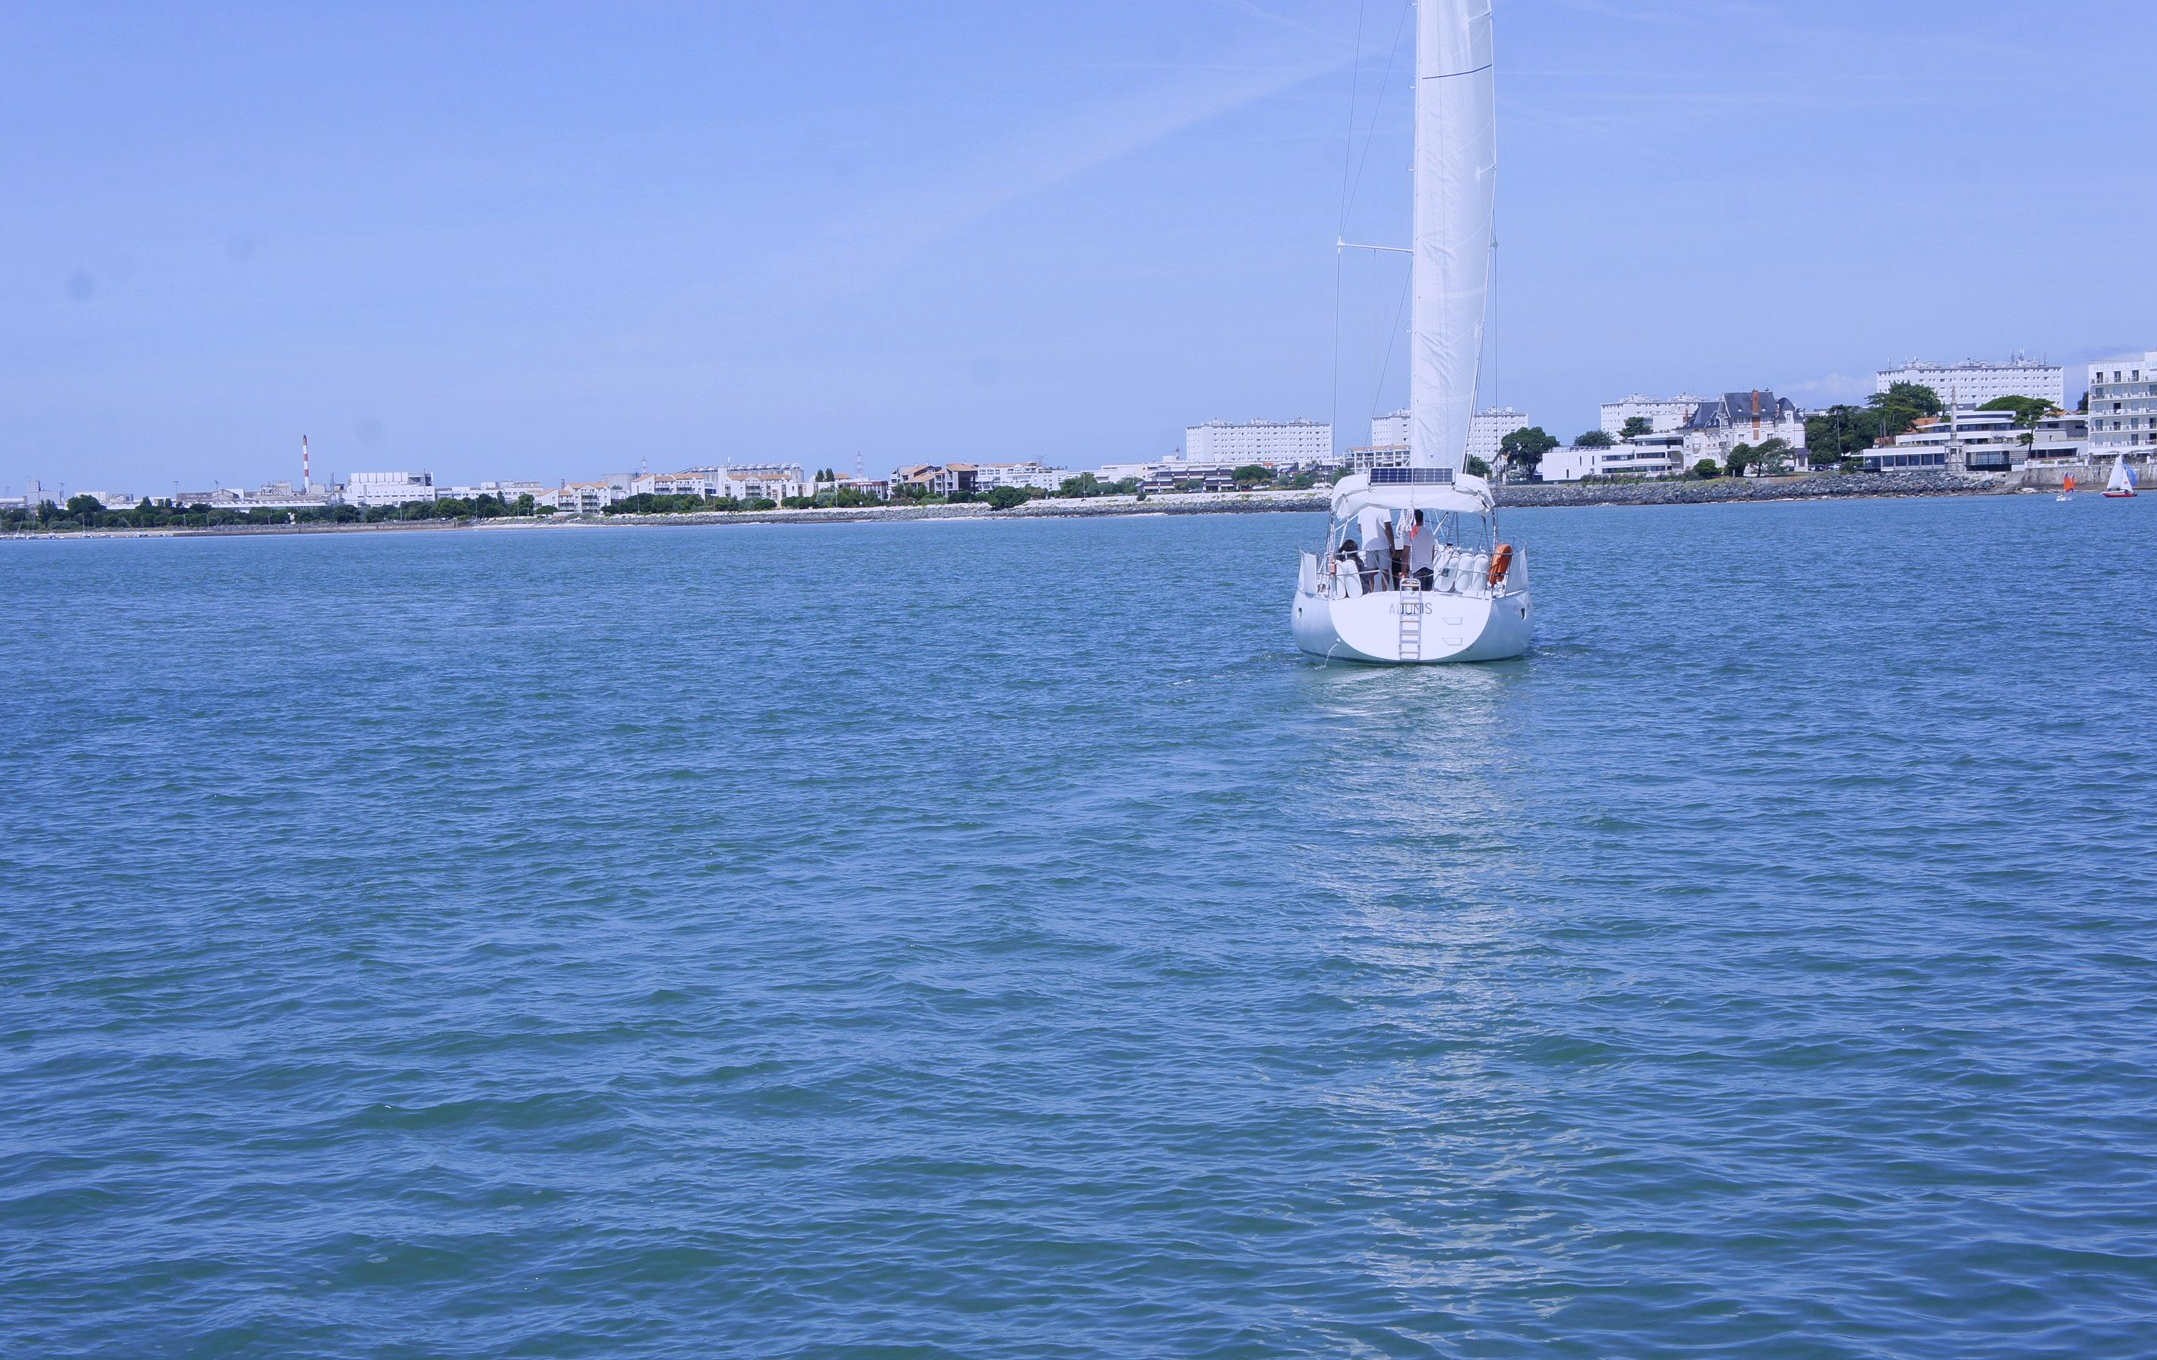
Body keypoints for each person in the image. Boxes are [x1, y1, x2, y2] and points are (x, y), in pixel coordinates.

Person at [1405, 510, 1437, 589]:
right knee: (1427, 595)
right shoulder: (1430, 532)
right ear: (1422, 519)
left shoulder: (1411, 532)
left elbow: (1405, 553)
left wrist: (1404, 570)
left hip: (1417, 569)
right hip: (1429, 568)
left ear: (1413, 519)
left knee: (1417, 595)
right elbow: (1432, 551)